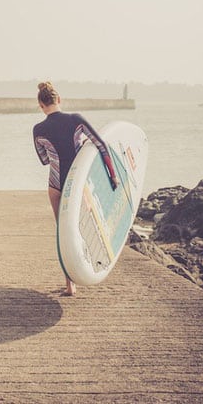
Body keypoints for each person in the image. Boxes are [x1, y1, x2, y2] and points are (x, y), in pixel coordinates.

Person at [32, 81, 118, 296]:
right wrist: (112, 176)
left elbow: (44, 160)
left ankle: (70, 284)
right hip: (78, 184)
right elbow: (101, 145)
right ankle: (90, 267)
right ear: (59, 100)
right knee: (83, 228)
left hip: (55, 185)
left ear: (40, 105)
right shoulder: (75, 119)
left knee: (63, 233)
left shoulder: (38, 129)